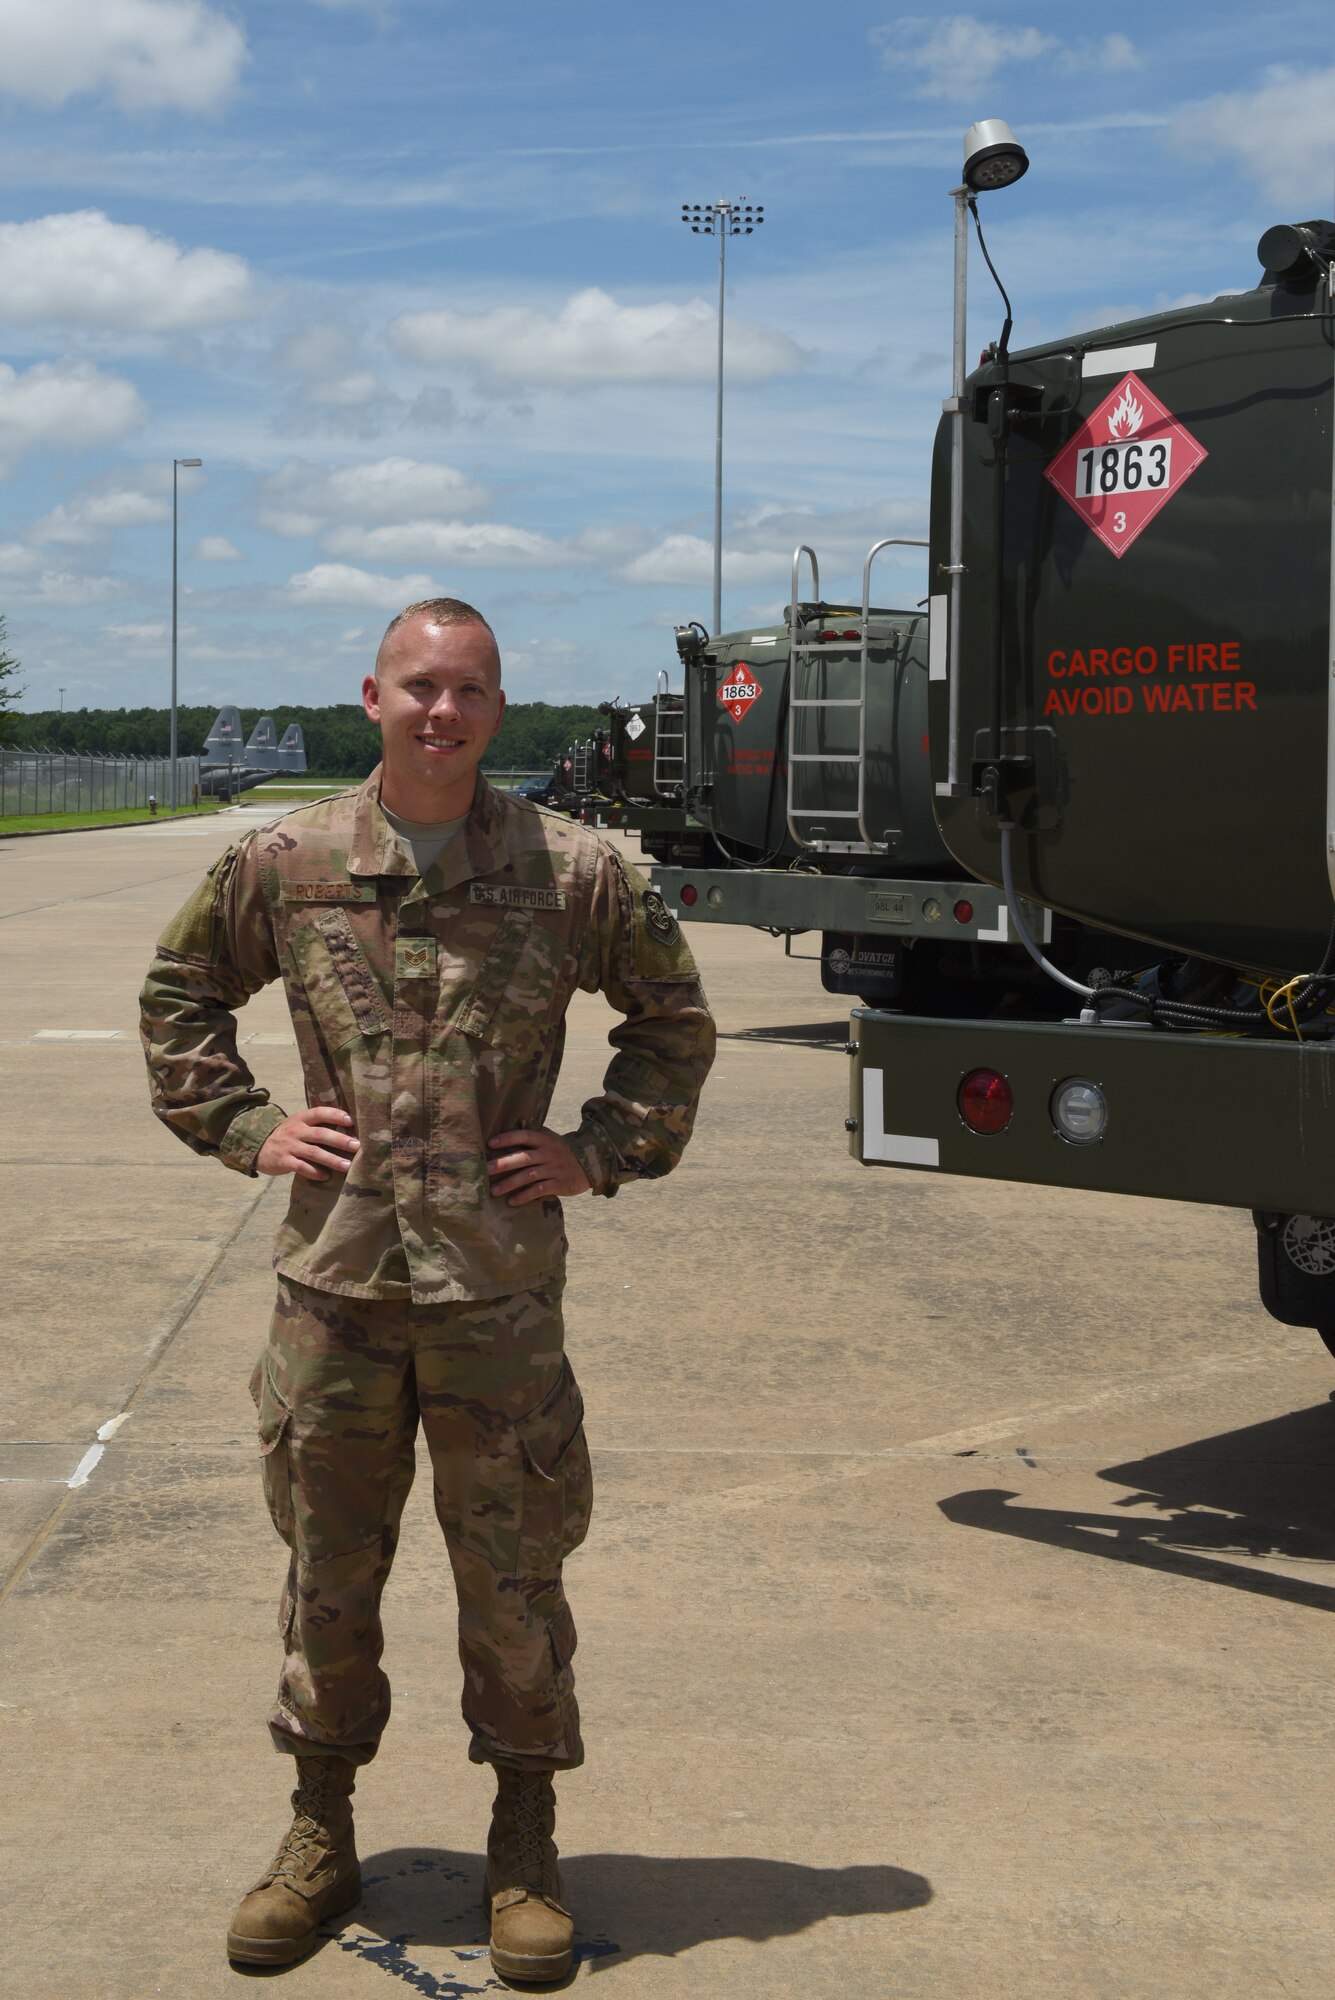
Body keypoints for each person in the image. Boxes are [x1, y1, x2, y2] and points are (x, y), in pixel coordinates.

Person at [139, 598, 715, 1981]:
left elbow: (674, 1022)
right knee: (329, 1570)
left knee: (515, 1576)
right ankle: (318, 1829)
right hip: (333, 1291)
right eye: (418, 687)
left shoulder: (573, 873)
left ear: (498, 709)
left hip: (499, 1300)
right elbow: (178, 994)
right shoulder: (285, 863)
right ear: (373, 697)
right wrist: (245, 1128)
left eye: (467, 690)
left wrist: (597, 1150)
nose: (441, 712)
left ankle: (524, 1841)